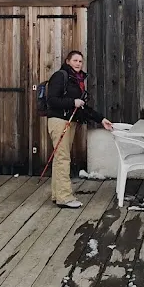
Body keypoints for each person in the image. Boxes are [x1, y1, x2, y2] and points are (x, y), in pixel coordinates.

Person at [45, 50, 114, 208]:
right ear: (68, 61)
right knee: (63, 158)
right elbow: (52, 100)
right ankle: (65, 198)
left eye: (80, 61)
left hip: (70, 122)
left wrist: (101, 119)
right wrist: (72, 102)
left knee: (60, 158)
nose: (78, 63)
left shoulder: (77, 80)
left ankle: (58, 194)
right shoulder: (60, 76)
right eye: (75, 60)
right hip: (59, 121)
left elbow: (83, 108)